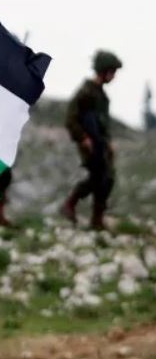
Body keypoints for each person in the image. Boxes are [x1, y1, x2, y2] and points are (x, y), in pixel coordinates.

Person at [61, 50, 122, 230]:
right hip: (89, 142)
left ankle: (97, 219)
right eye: (111, 71)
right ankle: (70, 204)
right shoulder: (86, 92)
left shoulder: (102, 96)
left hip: (100, 142)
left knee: (106, 178)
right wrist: (83, 138)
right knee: (98, 177)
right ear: (103, 71)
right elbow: (71, 119)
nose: (113, 76)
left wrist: (108, 142)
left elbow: (103, 124)